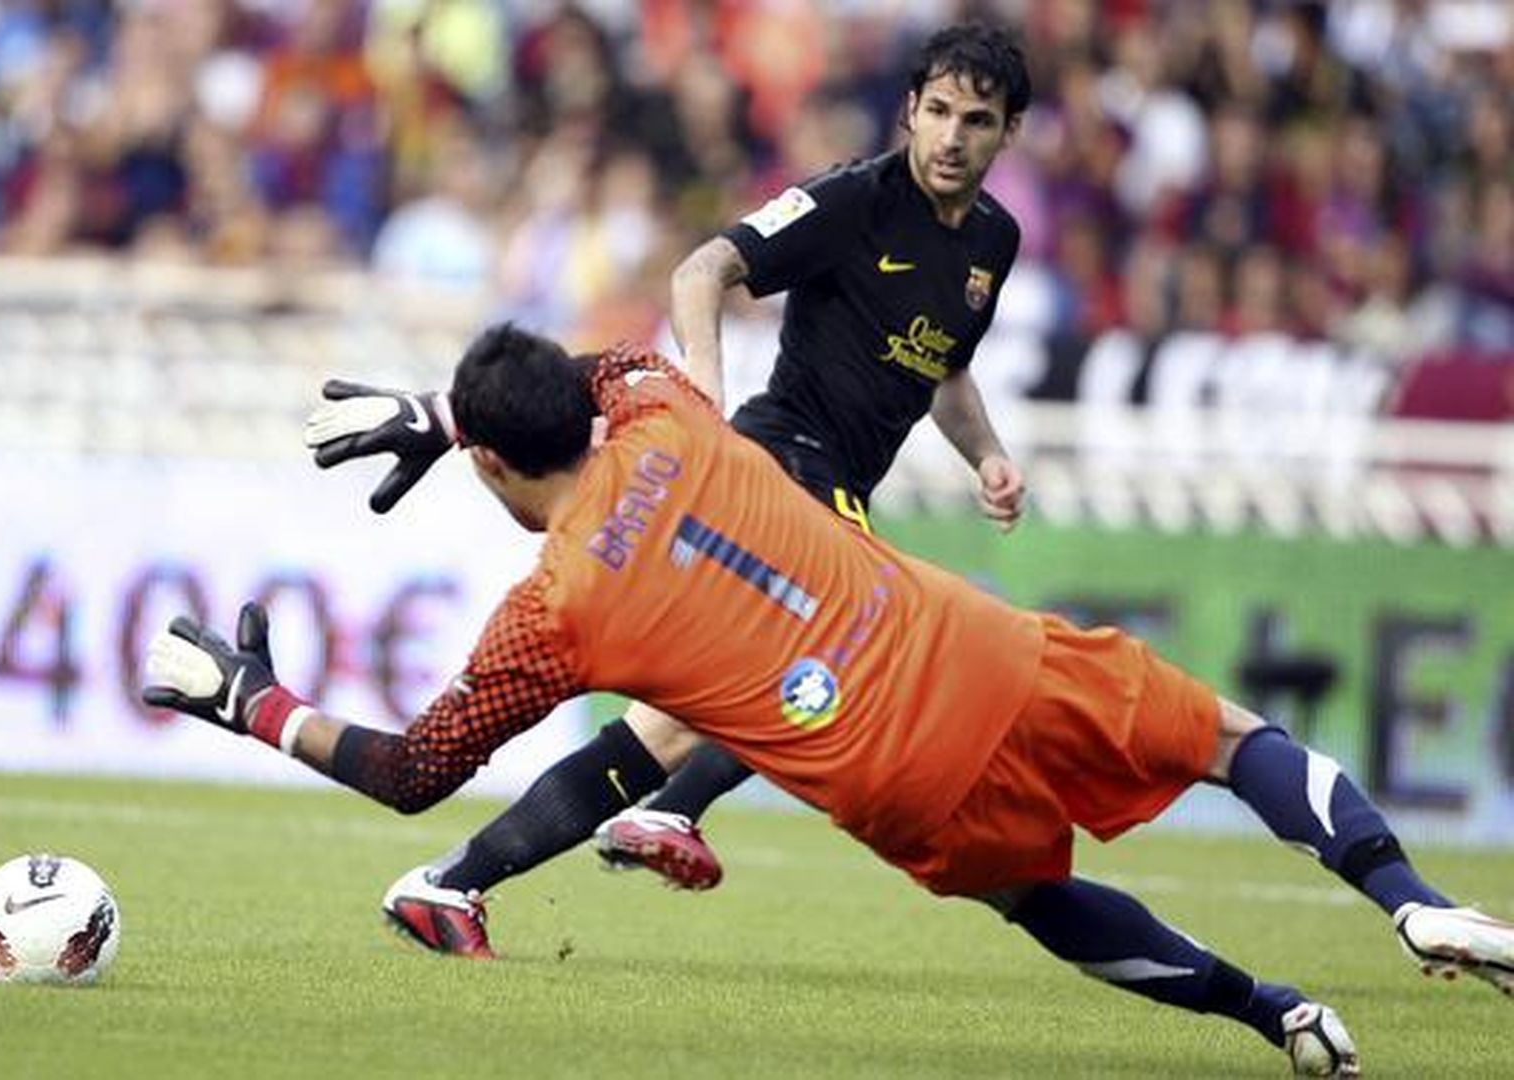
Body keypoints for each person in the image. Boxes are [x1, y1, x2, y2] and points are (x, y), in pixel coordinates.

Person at [147, 324, 1514, 1078]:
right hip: (976, 651)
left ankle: (1271, 1013)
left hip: (887, 775)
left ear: (498, 468)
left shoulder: (551, 613)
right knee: (1225, 738)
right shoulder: (670, 410)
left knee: (1034, 897)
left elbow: (414, 770)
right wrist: (440, 414)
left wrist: (254, 704)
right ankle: (1405, 899)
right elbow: (610, 358)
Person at [308, 21, 1033, 904]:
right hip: (783, 463)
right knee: (832, 666)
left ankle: (454, 882)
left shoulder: (992, 244)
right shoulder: (851, 203)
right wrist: (707, 409)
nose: (953, 137)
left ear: (1009, 132)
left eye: (978, 121)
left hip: (837, 481)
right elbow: (702, 272)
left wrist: (988, 453)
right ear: (909, 111)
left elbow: (945, 368)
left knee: (678, 726)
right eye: (940, 112)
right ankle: (671, 814)